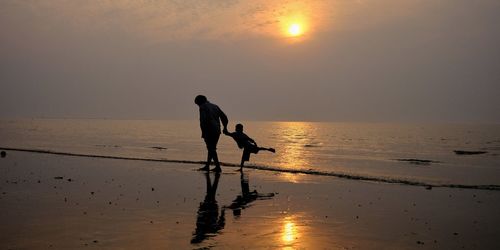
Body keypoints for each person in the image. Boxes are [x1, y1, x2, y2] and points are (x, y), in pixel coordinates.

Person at [195, 95, 228, 172]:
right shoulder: (215, 106)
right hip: (217, 130)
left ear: (200, 101)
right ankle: (207, 166)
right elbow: (224, 117)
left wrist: (204, 132)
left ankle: (218, 167)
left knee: (211, 148)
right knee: (211, 148)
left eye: (197, 104)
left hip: (209, 130)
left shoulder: (203, 107)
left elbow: (204, 120)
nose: (198, 105)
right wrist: (225, 127)